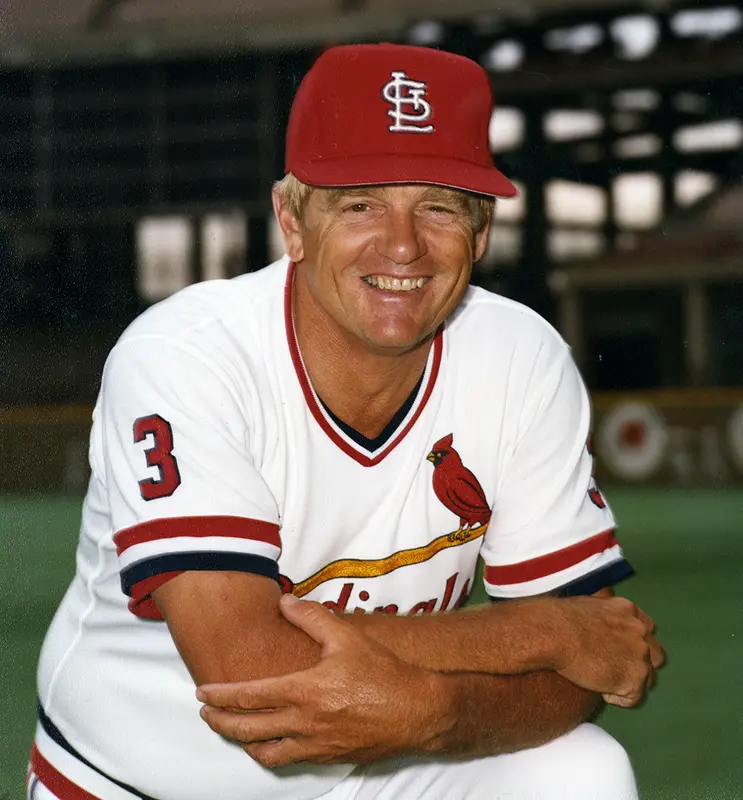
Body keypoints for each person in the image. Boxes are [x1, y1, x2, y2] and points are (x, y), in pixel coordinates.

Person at [30, 43, 664, 800]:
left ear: (483, 233)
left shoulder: (520, 355)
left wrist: (439, 715)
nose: (402, 245)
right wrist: (544, 632)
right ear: (291, 221)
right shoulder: (184, 355)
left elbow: (594, 671)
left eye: (438, 206)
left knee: (581, 770)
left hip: (385, 770)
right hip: (142, 779)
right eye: (359, 202)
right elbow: (250, 675)